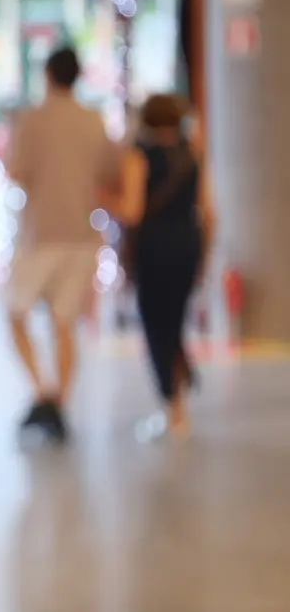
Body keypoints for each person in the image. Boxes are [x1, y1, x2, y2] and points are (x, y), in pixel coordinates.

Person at [5, 46, 120, 443]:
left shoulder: (33, 120)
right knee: (64, 324)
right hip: (82, 234)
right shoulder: (93, 121)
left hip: (40, 234)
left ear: (48, 75)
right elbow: (111, 172)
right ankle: (61, 403)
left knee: (16, 315)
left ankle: (43, 392)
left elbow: (17, 172)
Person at [117, 94, 213, 438]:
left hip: (154, 248)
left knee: (156, 326)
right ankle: (178, 401)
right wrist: (203, 256)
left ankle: (173, 406)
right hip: (187, 245)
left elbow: (131, 211)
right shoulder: (193, 154)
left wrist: (104, 199)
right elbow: (208, 212)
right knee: (174, 322)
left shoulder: (138, 156)